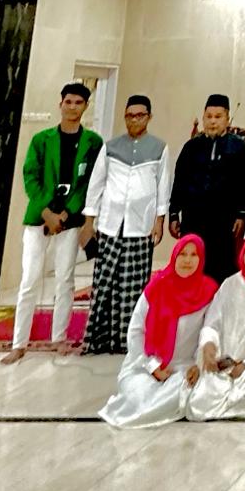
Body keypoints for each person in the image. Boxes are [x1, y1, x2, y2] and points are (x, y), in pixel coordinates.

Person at [3, 83, 104, 364]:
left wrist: (68, 214)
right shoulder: (42, 139)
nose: (72, 107)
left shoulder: (93, 143)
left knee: (65, 279)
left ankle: (59, 337)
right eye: (68, 101)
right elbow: (30, 177)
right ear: (60, 104)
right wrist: (47, 211)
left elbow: (90, 184)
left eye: (78, 102)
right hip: (39, 218)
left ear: (85, 106)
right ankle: (19, 343)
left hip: (70, 221)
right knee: (30, 279)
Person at [81, 94, 171, 355]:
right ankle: (98, 339)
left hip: (140, 226)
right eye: (130, 116)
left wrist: (159, 221)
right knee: (105, 283)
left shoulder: (159, 148)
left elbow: (162, 187)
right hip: (110, 225)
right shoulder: (110, 147)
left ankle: (128, 340)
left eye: (140, 115)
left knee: (133, 287)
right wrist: (89, 222)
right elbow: (96, 184)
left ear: (149, 117)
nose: (134, 120)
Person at [99, 235, 216, 428]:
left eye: (193, 255)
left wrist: (198, 364)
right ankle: (158, 407)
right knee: (138, 397)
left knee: (188, 391)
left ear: (201, 259)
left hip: (184, 368)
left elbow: (209, 332)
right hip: (144, 365)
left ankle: (165, 405)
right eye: (183, 254)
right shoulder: (157, 287)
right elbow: (135, 332)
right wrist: (153, 367)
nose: (187, 260)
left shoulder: (208, 292)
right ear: (174, 256)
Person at [186, 231, 245, 421]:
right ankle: (226, 403)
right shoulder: (230, 284)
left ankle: (224, 405)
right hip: (223, 363)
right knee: (199, 403)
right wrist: (208, 345)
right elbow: (212, 323)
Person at [170, 94, 245, 282]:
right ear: (203, 118)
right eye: (208, 117)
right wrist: (174, 213)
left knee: (221, 270)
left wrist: (241, 214)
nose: (213, 121)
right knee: (192, 266)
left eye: (218, 117)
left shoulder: (239, 147)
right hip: (193, 218)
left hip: (224, 221)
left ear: (227, 118)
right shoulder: (191, 147)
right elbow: (179, 181)